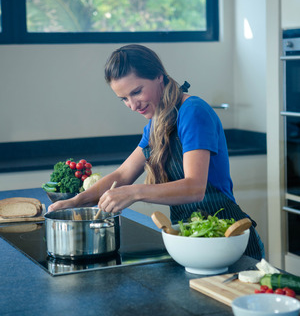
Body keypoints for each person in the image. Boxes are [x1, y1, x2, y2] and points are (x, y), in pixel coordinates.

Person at [48, 44, 265, 260]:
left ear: (159, 77)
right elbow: (123, 175)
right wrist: (76, 202)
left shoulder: (193, 112)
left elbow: (195, 188)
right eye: (124, 99)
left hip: (228, 240)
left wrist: (134, 193)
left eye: (136, 92)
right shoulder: (156, 124)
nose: (132, 105)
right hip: (190, 241)